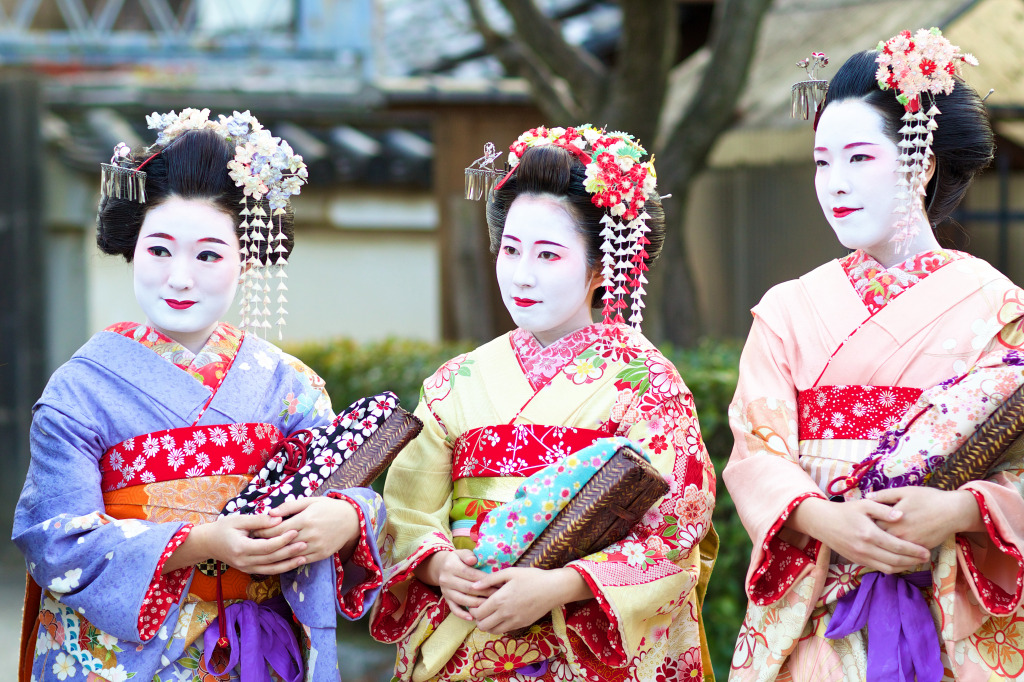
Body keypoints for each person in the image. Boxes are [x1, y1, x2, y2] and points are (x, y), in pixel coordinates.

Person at [13, 109, 385, 682]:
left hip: (257, 647)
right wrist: (202, 541)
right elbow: (55, 539)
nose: (180, 277)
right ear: (131, 247)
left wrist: (347, 518)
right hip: (122, 657)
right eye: (159, 250)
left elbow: (350, 490)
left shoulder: (291, 386)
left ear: (247, 258)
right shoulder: (81, 389)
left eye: (208, 254)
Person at [725, 29, 1024, 681]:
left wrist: (959, 509)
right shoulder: (787, 310)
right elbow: (757, 452)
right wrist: (823, 518)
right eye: (822, 162)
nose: (835, 183)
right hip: (821, 618)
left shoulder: (1000, 307)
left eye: (858, 158)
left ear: (922, 160)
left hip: (946, 609)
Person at [370, 124, 718, 682]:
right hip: (469, 633)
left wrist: (560, 584)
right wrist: (438, 564)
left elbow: (675, 534)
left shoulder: (648, 383)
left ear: (603, 266)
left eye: (549, 255)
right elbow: (408, 509)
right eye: (510, 249)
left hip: (583, 643)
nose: (521, 274)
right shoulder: (457, 380)